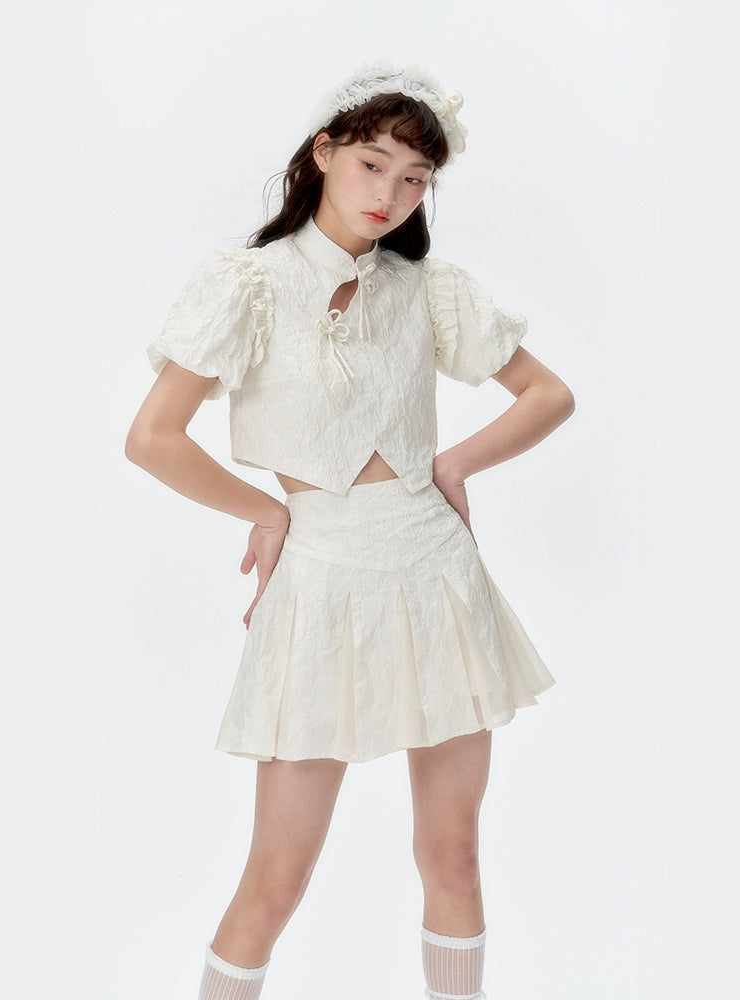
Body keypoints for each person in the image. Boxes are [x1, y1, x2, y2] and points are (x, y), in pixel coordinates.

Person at [126, 62, 575, 1000]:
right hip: (320, 579)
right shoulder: (247, 285)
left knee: (452, 857)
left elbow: (548, 394)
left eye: (415, 179)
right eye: (374, 164)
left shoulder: (426, 288)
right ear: (324, 152)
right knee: (275, 881)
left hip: (436, 572)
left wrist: (452, 466)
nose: (391, 195)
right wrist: (268, 510)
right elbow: (153, 439)